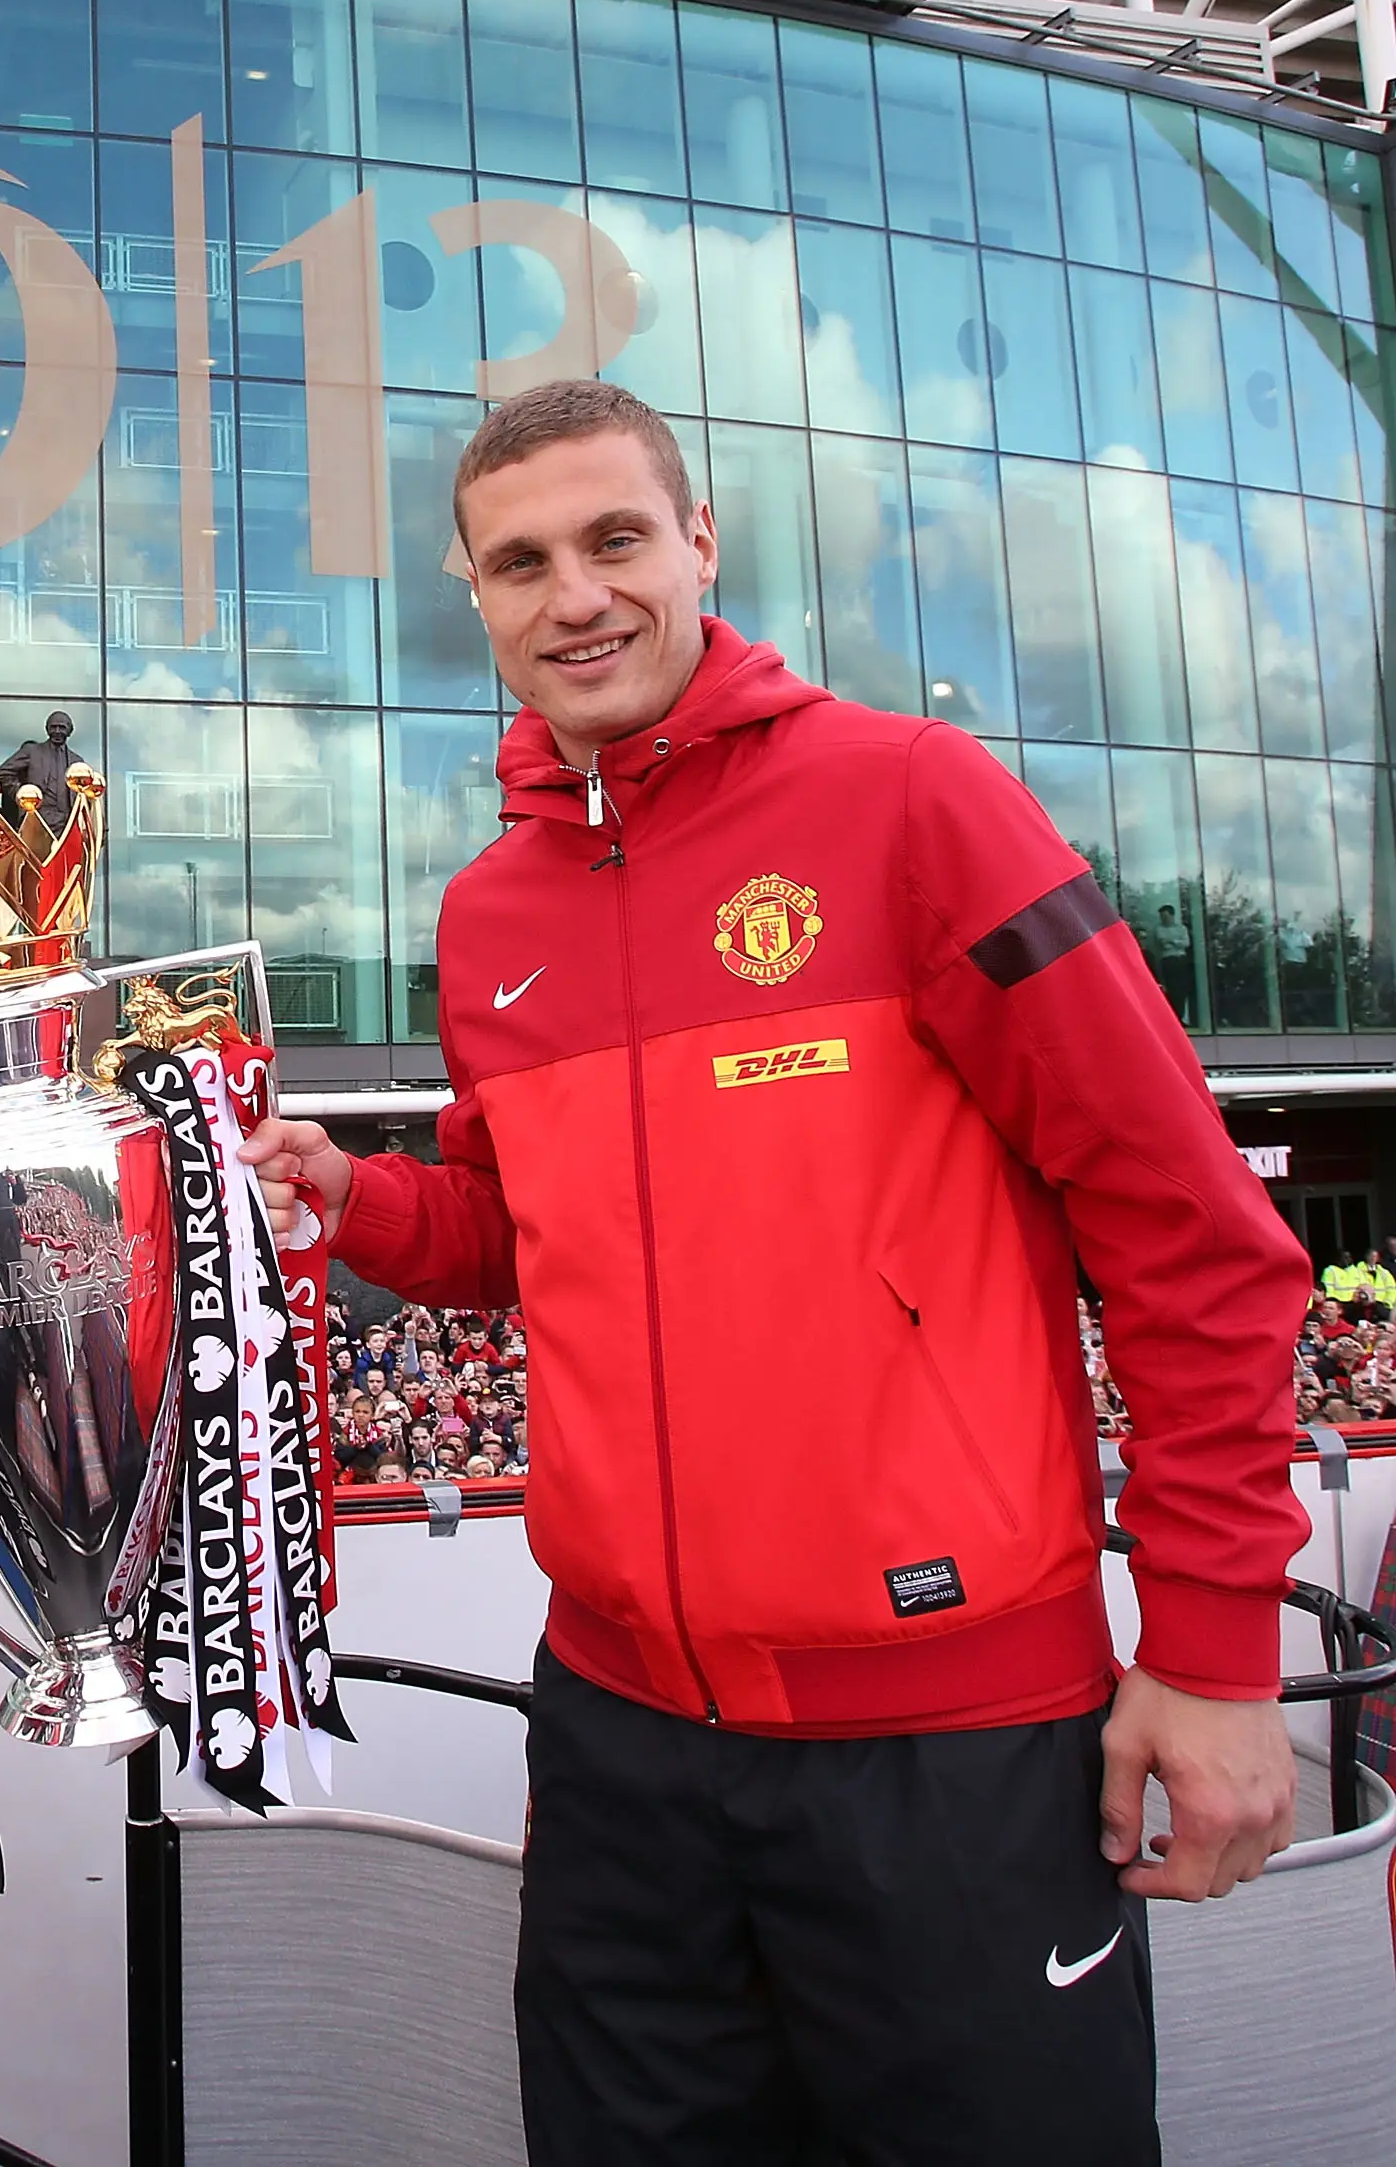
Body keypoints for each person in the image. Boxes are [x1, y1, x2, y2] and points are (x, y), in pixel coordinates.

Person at [241, 381, 1306, 2167]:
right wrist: (354, 1197)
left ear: (700, 544)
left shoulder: (914, 800)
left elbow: (1195, 1233)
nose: (573, 595)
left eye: (613, 540)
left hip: (951, 1746)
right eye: (521, 563)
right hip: (619, 1751)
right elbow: (521, 1242)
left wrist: (1212, 1653)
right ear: (476, 602)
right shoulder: (490, 914)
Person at [0, 709, 83, 814]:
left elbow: (89, 796)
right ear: (47, 729)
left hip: (67, 819)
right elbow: (3, 773)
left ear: (69, 731)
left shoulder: (77, 762)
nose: (57, 731)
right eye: (53, 727)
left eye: (62, 727)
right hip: (36, 814)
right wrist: (21, 793)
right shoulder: (32, 751)